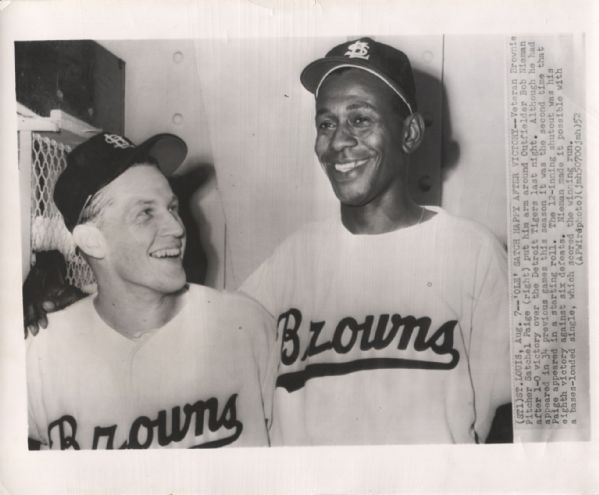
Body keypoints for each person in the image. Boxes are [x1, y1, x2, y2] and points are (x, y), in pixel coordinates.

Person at [239, 37, 512, 445]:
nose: (338, 141)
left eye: (361, 120)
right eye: (326, 123)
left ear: (411, 133)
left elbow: (514, 422)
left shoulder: (471, 252)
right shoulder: (292, 259)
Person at [26, 132, 275, 449]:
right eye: (145, 213)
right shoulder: (39, 356)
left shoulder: (247, 326)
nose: (177, 227)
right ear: (92, 241)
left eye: (172, 208)